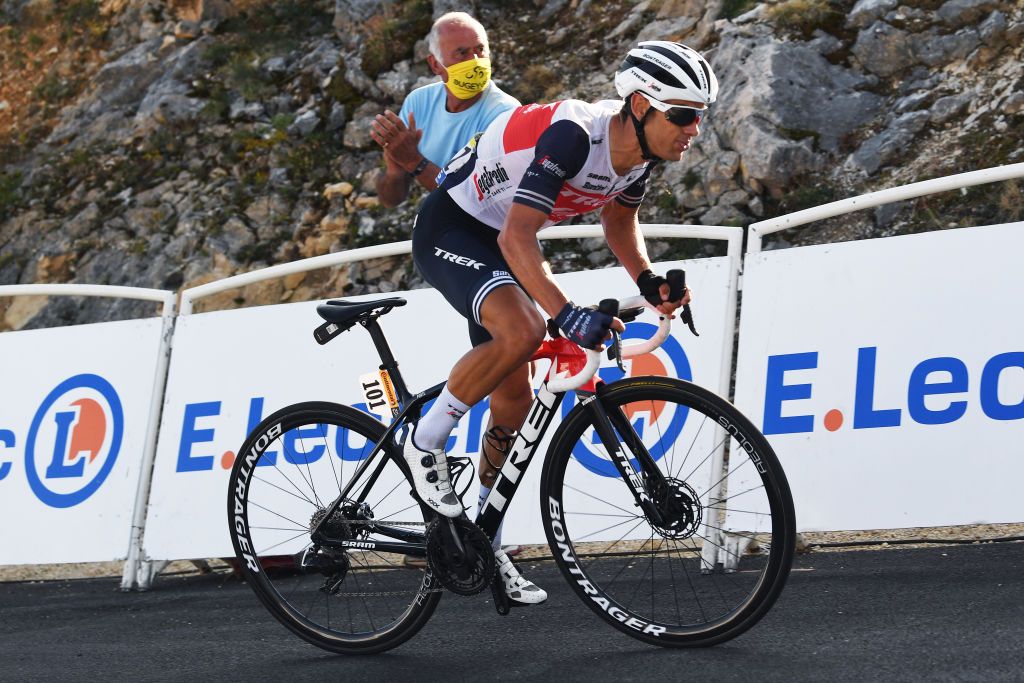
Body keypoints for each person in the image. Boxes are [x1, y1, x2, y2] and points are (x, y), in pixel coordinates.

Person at [401, 41, 717, 605]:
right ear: (641, 105)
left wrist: (649, 287)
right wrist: (564, 314)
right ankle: (426, 443)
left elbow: (620, 224)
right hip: (453, 227)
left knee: (514, 401)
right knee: (524, 331)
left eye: (700, 116)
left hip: (501, 242)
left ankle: (482, 539)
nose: (694, 129)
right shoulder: (574, 134)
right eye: (684, 114)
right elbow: (516, 236)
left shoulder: (639, 157)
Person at [370, 11, 519, 208]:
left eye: (480, 49)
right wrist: (395, 170)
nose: (475, 61)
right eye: (462, 53)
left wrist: (414, 161)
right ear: (435, 64)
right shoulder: (418, 102)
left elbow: (479, 202)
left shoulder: (505, 114)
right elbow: (391, 200)